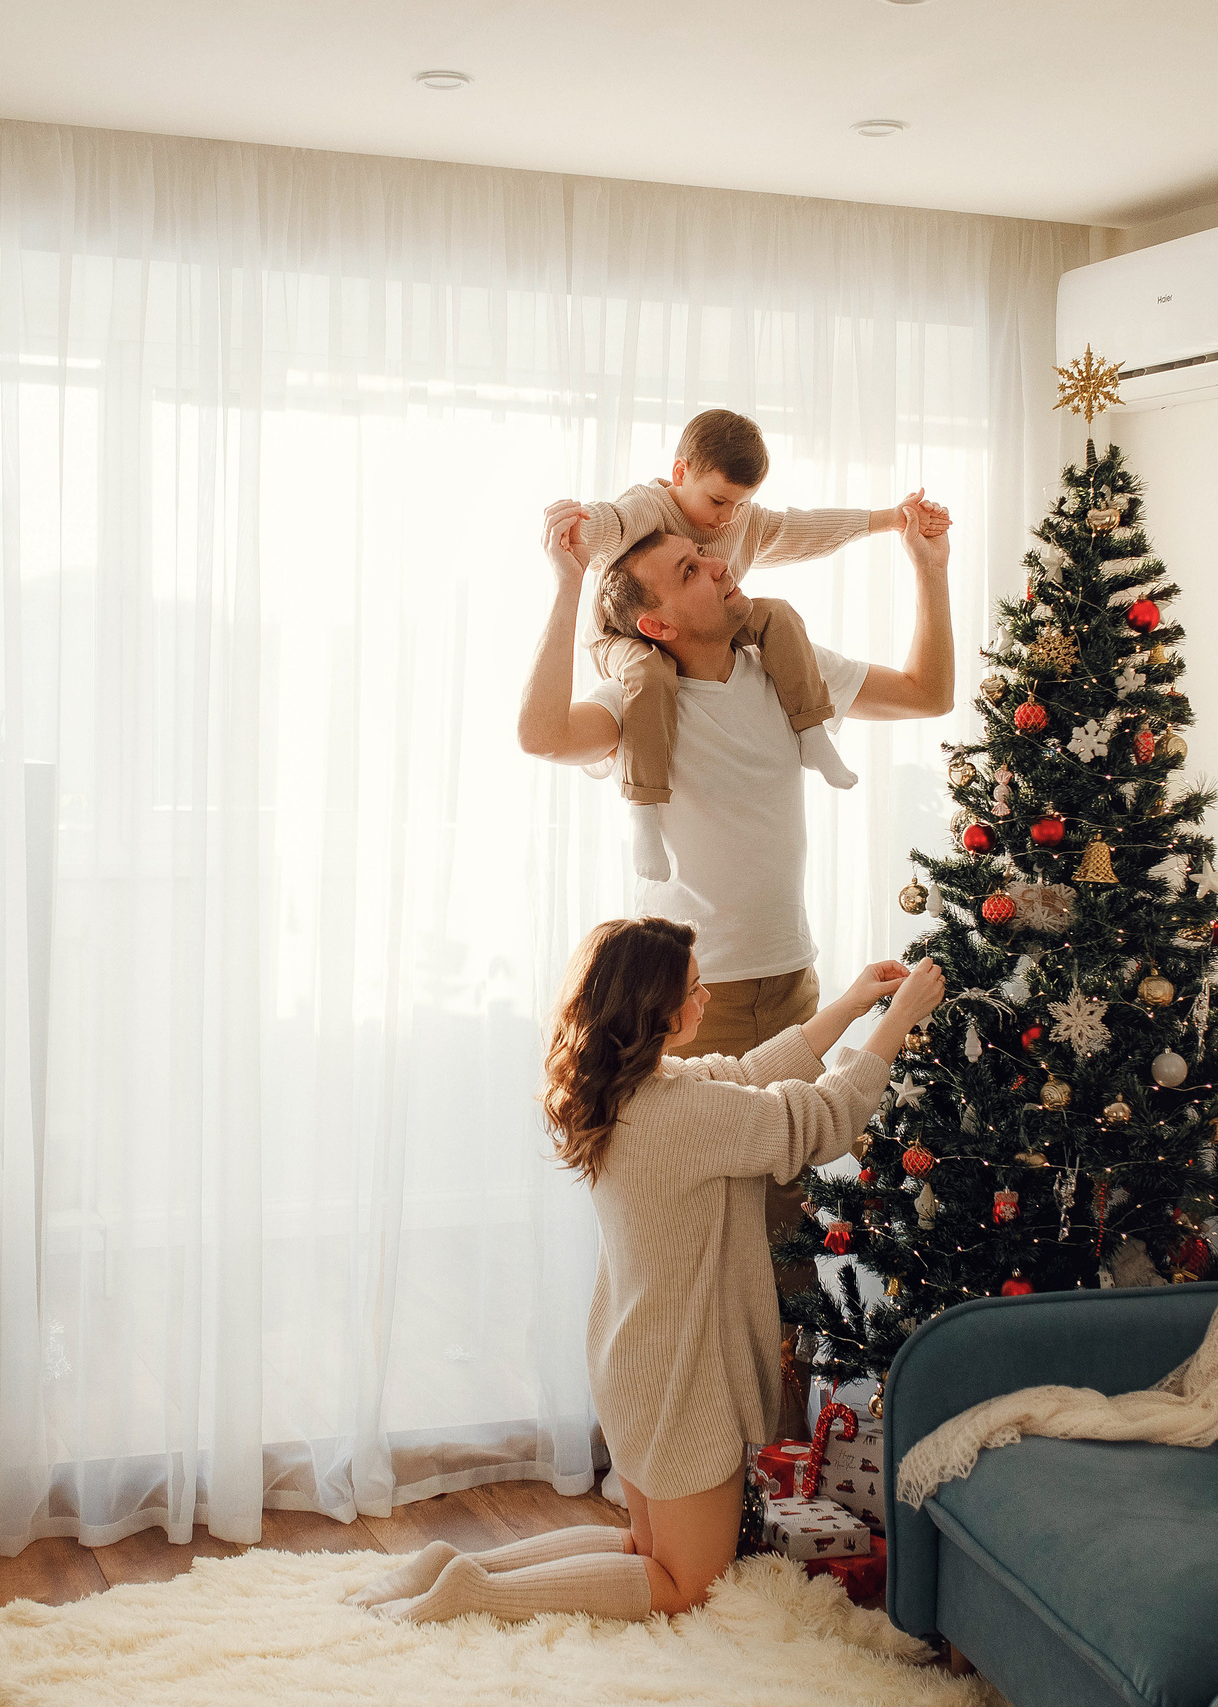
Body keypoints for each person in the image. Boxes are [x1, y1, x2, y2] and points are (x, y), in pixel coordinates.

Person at [350, 916, 946, 1622]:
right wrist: (899, 1020)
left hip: (633, 1359)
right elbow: (820, 1116)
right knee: (685, 1583)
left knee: (643, 1546)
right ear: (653, 1010)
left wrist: (849, 1005)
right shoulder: (683, 1112)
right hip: (684, 1380)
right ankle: (480, 1593)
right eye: (692, 991)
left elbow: (745, 1075)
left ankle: (454, 1564)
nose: (703, 999)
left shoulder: (626, 1091)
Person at [518, 485, 957, 1439]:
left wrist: (929, 570)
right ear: (656, 622)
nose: (720, 562)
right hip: (693, 1009)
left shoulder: (784, 671)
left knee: (789, 1250)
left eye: (705, 555)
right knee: (693, 1247)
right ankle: (669, 1451)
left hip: (794, 987)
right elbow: (542, 735)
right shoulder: (644, 701)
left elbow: (929, 693)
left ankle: (780, 1461)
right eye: (689, 568)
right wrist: (563, 587)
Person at [568, 408, 949, 880]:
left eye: (740, 505)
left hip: (788, 944)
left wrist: (891, 520)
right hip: (620, 640)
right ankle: (643, 811)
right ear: (679, 473)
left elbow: (805, 529)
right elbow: (612, 523)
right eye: (717, 501)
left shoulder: (743, 535)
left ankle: (813, 732)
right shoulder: (647, 508)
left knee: (780, 614)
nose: (727, 522)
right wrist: (577, 528)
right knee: (650, 673)